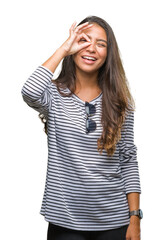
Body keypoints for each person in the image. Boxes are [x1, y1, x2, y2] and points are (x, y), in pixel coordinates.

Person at [21, 16, 142, 240]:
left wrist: (135, 217)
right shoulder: (54, 96)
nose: (92, 49)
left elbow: (128, 160)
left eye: (101, 44)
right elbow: (29, 91)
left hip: (114, 221)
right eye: (85, 40)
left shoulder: (120, 102)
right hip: (65, 221)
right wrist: (64, 48)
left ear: (109, 53)